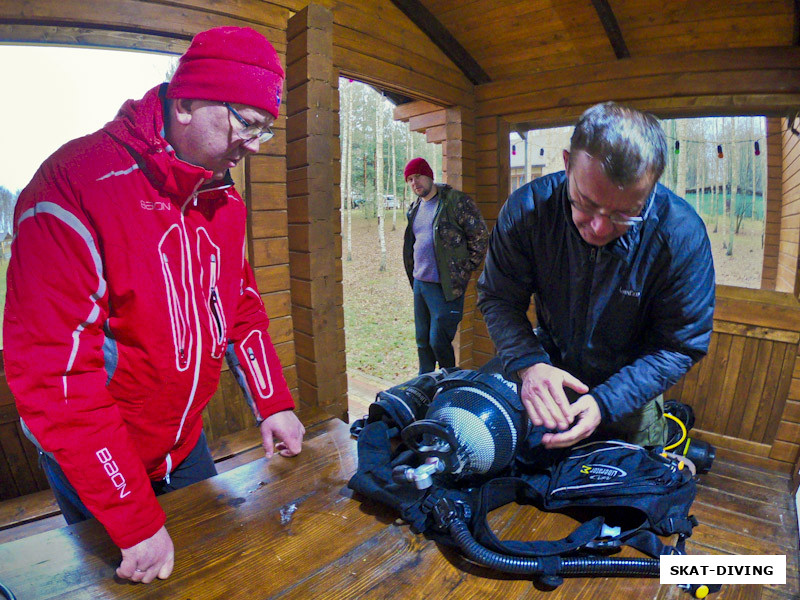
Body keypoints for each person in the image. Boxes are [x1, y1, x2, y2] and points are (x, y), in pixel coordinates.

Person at [3, 26, 306, 583]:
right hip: (101, 463)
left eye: (267, 128)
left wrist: (273, 402)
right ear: (186, 102)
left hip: (186, 442)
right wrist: (132, 516)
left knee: (216, 570)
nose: (257, 145)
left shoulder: (222, 198)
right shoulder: (72, 186)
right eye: (247, 123)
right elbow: (55, 374)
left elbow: (238, 303)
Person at [477, 102, 715, 450]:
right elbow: (499, 298)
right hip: (549, 376)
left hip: (632, 392)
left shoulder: (681, 234)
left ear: (651, 187)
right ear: (567, 163)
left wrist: (608, 401)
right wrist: (528, 363)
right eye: (585, 203)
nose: (600, 227)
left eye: (625, 214)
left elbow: (679, 346)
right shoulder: (527, 211)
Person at [403, 157, 488, 374]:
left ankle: (450, 382)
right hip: (421, 284)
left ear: (429, 175)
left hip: (446, 286)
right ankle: (425, 385)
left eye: (418, 176)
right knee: (422, 342)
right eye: (410, 179)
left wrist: (465, 268)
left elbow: (479, 236)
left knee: (438, 342)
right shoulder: (415, 208)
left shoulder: (455, 201)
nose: (415, 183)